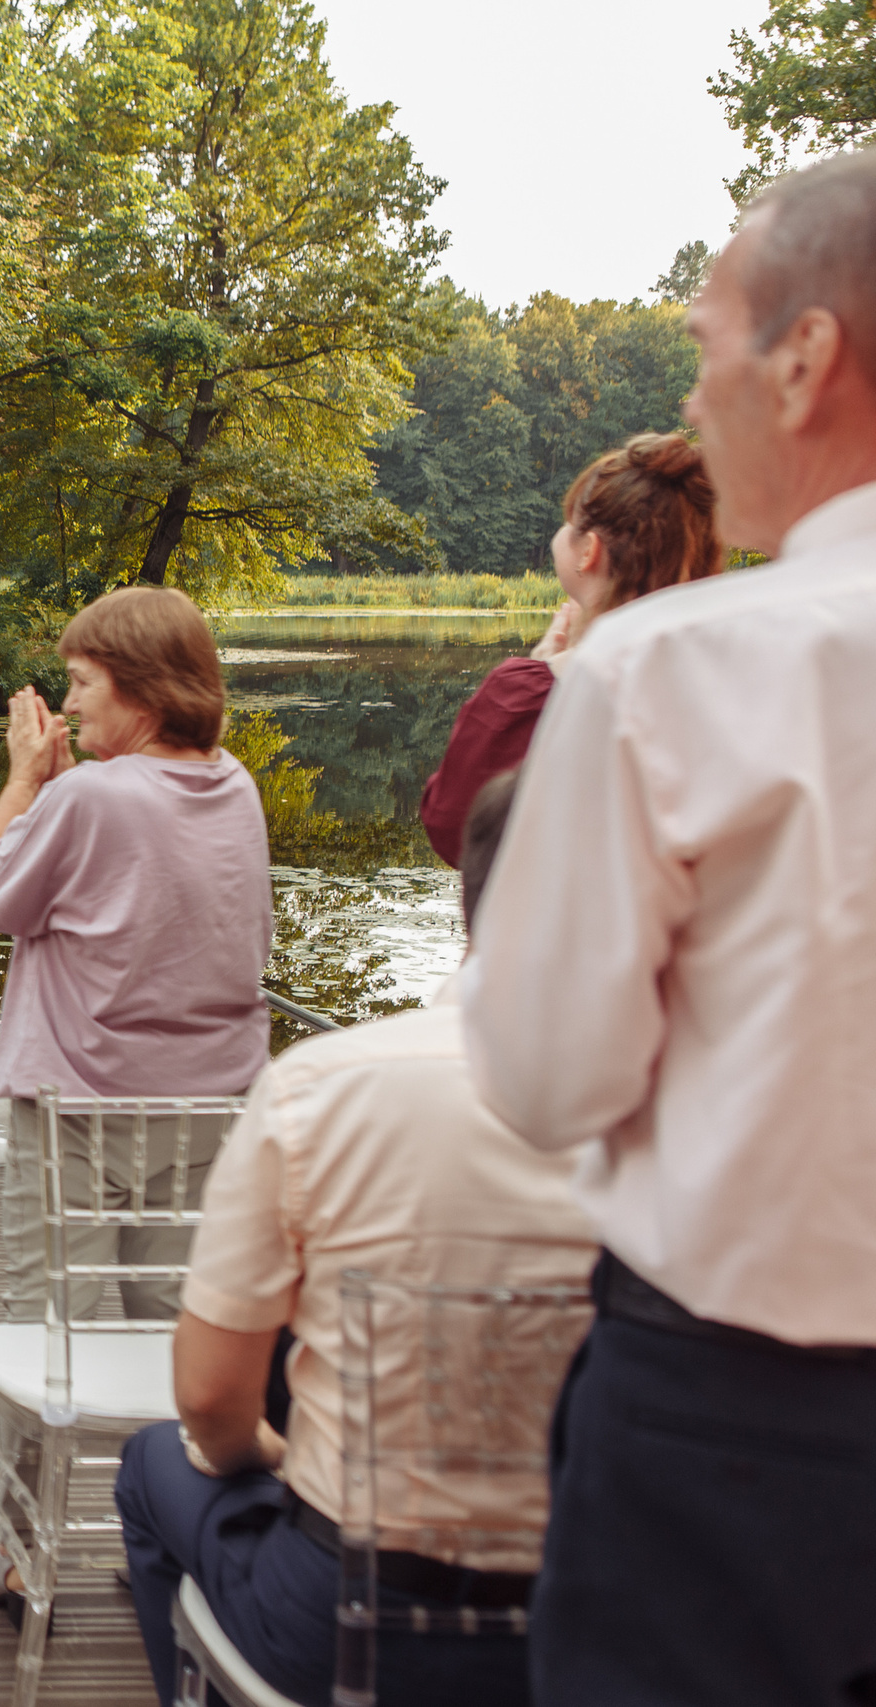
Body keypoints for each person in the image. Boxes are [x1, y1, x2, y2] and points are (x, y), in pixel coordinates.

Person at [463, 149, 876, 1705]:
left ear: (806, 356)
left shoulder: (670, 674)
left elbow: (553, 1072)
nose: (696, 403)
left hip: (744, 1428)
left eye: (707, 350)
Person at [111, 772, 597, 1705]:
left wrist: (275, 1455)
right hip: (603, 1627)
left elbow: (210, 1399)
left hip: (345, 1622)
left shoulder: (326, 1086)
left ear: (474, 897)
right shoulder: (715, 1121)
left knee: (154, 1464)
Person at [0, 585, 270, 1321]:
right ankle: (171, 1437)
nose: (68, 703)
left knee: (50, 1315)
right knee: (174, 1312)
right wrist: (68, 790)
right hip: (207, 1100)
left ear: (144, 688)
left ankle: (45, 1438)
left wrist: (26, 777)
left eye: (83, 680)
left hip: (83, 1102)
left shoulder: (89, 796)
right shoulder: (234, 782)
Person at [416, 434, 721, 864]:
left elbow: (452, 827)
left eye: (567, 522)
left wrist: (539, 670)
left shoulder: (527, 694)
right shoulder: (729, 677)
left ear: (588, 552)